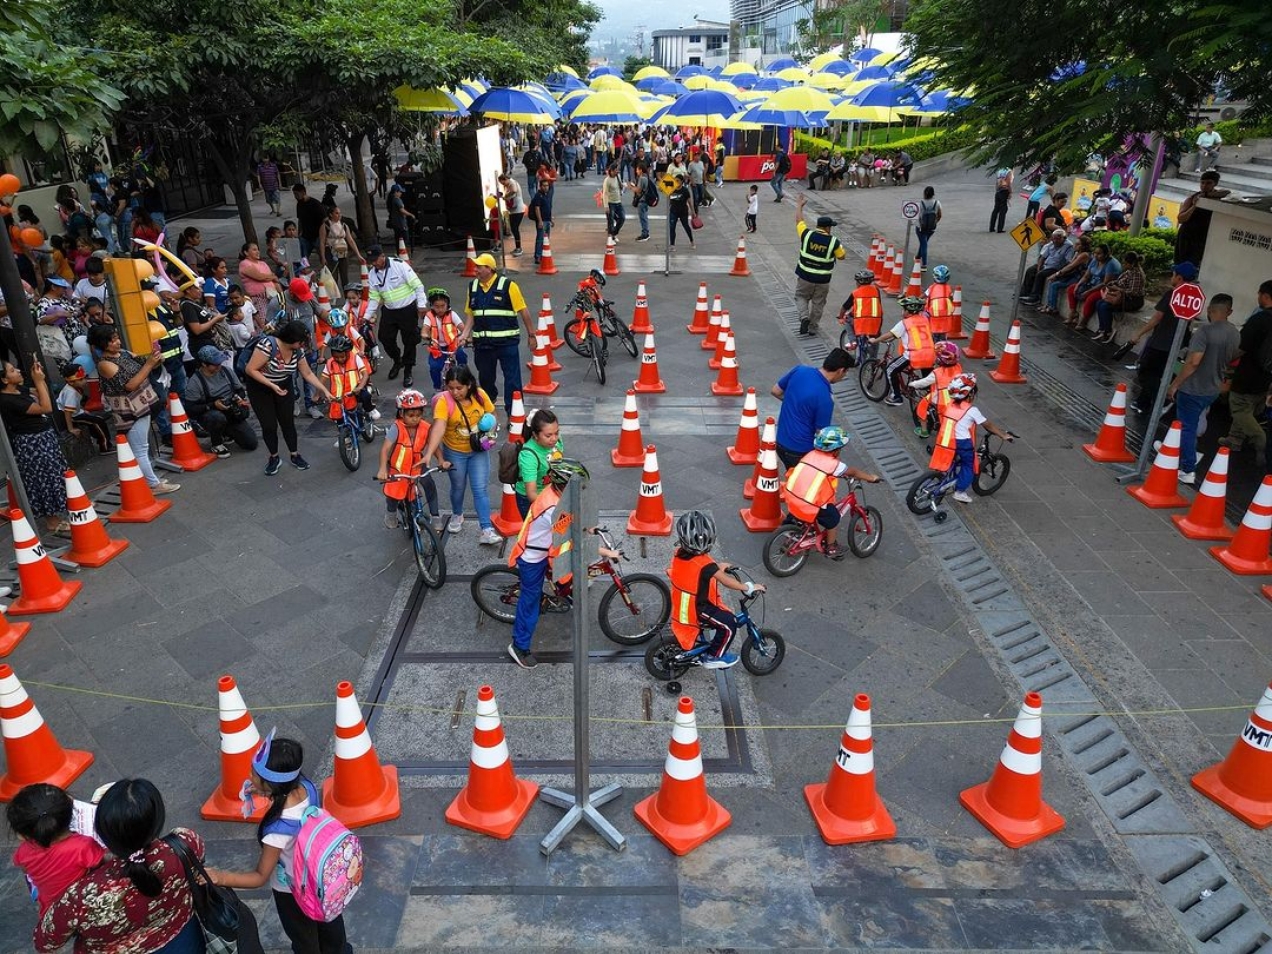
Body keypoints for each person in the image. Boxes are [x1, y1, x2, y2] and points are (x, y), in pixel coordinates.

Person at [205, 734, 351, 954]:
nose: (250, 776)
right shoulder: (307, 787)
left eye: (254, 774)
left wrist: (220, 877)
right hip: (323, 878)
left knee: (304, 939)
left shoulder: (277, 831)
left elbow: (259, 877)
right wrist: (266, 790)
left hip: (293, 892)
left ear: (271, 784)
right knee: (331, 926)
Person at [35, 779, 206, 954]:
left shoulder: (82, 895)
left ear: (101, 832)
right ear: (157, 820)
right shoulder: (186, 845)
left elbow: (45, 942)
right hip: (185, 942)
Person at [506, 458, 590, 669]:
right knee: (530, 601)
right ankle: (519, 646)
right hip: (533, 557)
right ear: (564, 486)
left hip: (545, 547)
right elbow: (567, 539)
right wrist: (602, 549)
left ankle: (564, 590)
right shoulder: (553, 509)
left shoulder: (556, 494)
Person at [89, 326, 181, 496]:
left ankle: (150, 481)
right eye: (112, 340)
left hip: (143, 404)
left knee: (141, 448)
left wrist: (156, 359)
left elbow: (144, 365)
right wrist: (149, 364)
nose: (117, 342)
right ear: (102, 344)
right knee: (139, 449)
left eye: (117, 338)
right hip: (130, 411)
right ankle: (153, 485)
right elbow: (130, 385)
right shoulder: (104, 364)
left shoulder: (123, 353)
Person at [667, 510, 765, 669]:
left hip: (685, 601)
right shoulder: (706, 565)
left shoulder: (680, 554)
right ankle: (714, 656)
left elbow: (697, 569)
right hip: (699, 608)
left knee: (724, 620)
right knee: (729, 623)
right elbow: (726, 581)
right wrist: (747, 587)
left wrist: (717, 567)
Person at [1165, 294, 1240, 484]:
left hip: (1193, 387)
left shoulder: (1204, 331)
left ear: (1209, 310)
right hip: (1213, 388)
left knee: (1187, 427)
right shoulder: (1234, 333)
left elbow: (1193, 362)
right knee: (1196, 421)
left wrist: (1175, 384)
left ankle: (1188, 468)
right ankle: (1179, 450)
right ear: (1229, 311)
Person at [243, 319, 333, 476]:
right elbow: (251, 369)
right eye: (301, 342)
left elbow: (307, 373)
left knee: (288, 422)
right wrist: (271, 385)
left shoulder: (297, 351)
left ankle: (294, 454)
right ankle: (274, 457)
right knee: (269, 425)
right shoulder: (268, 345)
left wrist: (324, 390)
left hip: (283, 385)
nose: (303, 345)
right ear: (292, 339)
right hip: (260, 388)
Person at [422, 365, 500, 543]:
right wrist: (429, 453)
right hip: (454, 452)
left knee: (480, 489)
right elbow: (439, 426)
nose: (455, 392)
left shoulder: (480, 395)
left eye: (459, 388)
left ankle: (486, 529)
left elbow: (493, 414)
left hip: (477, 451)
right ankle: (457, 514)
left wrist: (490, 433)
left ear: (469, 385)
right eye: (450, 388)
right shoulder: (444, 402)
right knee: (458, 487)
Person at [8, 783, 105, 918]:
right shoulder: (83, 846)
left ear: (23, 835)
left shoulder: (23, 850)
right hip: (79, 908)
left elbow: (25, 869)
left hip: (49, 911)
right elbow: (102, 864)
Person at [782, 426, 883, 558]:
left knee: (801, 507)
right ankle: (831, 547)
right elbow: (853, 472)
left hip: (792, 494)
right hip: (811, 503)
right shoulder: (833, 464)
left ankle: (791, 525)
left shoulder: (810, 455)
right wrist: (871, 478)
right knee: (833, 518)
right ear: (836, 450)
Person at [0, 360, 72, 532]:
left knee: (57, 474)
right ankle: (52, 521)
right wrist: (39, 381)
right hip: (31, 444)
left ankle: (72, 504)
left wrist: (40, 380)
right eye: (12, 370)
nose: (18, 371)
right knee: (43, 480)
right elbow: (46, 407)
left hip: (44, 437)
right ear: (4, 380)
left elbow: (42, 394)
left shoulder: (19, 390)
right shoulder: (7, 400)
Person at [460, 253, 535, 416]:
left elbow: (523, 311)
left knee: (512, 380)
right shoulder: (472, 287)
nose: (475, 269)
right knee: (485, 378)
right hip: (483, 345)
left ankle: (514, 412)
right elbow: (471, 313)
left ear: (489, 269)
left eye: (479, 267)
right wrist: (464, 334)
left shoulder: (508, 286)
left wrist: (532, 335)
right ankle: (489, 403)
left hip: (507, 343)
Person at [1124, 262, 1199, 414]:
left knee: (1145, 371)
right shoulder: (1192, 295)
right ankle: (1143, 402)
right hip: (1175, 342)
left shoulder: (1172, 294)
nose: (1171, 277)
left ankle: (1163, 400)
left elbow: (1157, 317)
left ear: (1179, 278)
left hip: (1161, 341)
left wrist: (1139, 333)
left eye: (1173, 275)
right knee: (1157, 373)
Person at [928, 373, 1014, 504]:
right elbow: (988, 425)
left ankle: (944, 474)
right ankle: (960, 492)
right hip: (962, 443)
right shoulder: (972, 410)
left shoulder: (949, 404)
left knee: (951, 459)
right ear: (971, 393)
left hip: (945, 439)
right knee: (969, 465)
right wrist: (1002, 435)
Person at [770, 348, 853, 468]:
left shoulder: (800, 370)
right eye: (846, 373)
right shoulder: (825, 397)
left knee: (791, 475)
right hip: (801, 451)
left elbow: (775, 391)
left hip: (780, 441)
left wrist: (794, 403)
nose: (843, 376)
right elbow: (822, 434)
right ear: (841, 370)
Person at [1219, 279, 1272, 464]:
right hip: (1266, 376)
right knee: (1250, 406)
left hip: (1248, 373)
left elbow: (1241, 347)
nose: (1257, 297)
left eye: (1259, 294)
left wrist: (1224, 360)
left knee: (1239, 406)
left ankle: (1261, 441)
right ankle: (1234, 439)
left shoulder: (1260, 319)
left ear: (1265, 296)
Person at [377, 388, 443, 530]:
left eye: (419, 415)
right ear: (402, 413)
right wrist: (383, 469)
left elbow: (434, 445)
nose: (415, 418)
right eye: (411, 415)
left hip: (417, 464)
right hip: (398, 467)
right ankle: (391, 513)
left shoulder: (425, 427)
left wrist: (441, 461)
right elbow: (385, 449)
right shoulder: (396, 428)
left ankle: (435, 515)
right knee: (393, 491)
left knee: (429, 484)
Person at [364, 244, 427, 388]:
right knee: (384, 338)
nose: (373, 263)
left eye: (375, 260)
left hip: (407, 309)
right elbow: (374, 297)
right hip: (389, 310)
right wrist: (366, 316)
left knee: (409, 341)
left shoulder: (399, 265)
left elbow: (418, 286)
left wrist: (421, 305)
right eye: (371, 261)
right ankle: (398, 360)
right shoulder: (372, 274)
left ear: (382, 256)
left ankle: (408, 370)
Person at [184, 346, 256, 457]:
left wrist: (238, 398)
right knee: (216, 417)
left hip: (231, 411)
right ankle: (216, 443)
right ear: (204, 364)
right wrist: (213, 405)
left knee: (251, 443)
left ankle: (227, 432)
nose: (219, 366)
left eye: (220, 363)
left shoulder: (227, 371)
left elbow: (240, 390)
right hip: (211, 413)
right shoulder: (195, 382)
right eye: (215, 364)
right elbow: (190, 409)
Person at [793, 194, 846, 337]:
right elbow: (842, 256)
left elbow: (799, 220)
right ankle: (812, 328)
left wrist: (799, 206)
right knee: (818, 303)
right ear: (827, 228)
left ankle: (804, 317)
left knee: (800, 297)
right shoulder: (833, 242)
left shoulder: (807, 235)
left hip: (805, 277)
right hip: (822, 280)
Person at [870, 295, 936, 408]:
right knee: (928, 379)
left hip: (913, 355)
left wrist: (875, 340)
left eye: (903, 309)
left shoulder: (905, 323)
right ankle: (930, 394)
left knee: (890, 369)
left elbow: (889, 334)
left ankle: (896, 397)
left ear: (908, 311)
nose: (902, 311)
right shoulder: (925, 320)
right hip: (930, 354)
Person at [1175, 171, 1231, 268]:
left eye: (1209, 183)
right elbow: (1181, 219)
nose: (1204, 186)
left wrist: (1206, 195)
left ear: (1215, 184)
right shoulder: (1192, 198)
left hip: (1203, 237)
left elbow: (1227, 193)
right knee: (1182, 265)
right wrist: (1195, 206)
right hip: (1187, 236)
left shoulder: (1217, 196)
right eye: (1202, 183)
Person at [516, 407, 564, 516]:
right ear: (535, 435)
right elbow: (531, 494)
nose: (554, 439)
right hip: (532, 500)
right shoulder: (528, 455)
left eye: (556, 433)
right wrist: (552, 508)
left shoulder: (556, 441)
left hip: (551, 492)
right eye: (548, 435)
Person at [324, 334, 378, 430]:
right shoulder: (330, 363)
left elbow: (365, 374)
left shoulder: (355, 358)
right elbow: (322, 378)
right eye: (336, 357)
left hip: (355, 389)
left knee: (365, 396)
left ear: (348, 352)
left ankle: (370, 409)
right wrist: (317, 394)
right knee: (338, 416)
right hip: (339, 395)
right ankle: (344, 433)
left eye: (342, 357)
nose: (339, 359)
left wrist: (359, 387)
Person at [910, 341, 964, 438]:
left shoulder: (937, 372)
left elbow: (924, 382)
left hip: (940, 399)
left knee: (921, 408)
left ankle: (924, 431)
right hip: (955, 396)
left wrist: (913, 384)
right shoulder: (958, 367)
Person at [56, 362, 112, 454]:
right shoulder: (71, 393)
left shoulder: (74, 387)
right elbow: (67, 411)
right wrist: (71, 429)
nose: (85, 381)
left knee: (97, 419)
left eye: (85, 378)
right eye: (81, 379)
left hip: (75, 412)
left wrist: (82, 410)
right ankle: (104, 447)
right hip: (71, 416)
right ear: (71, 381)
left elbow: (75, 404)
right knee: (98, 422)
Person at [1093, 250, 1146, 343]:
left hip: (1132, 300)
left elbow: (1133, 292)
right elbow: (1119, 281)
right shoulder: (1128, 271)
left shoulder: (1136, 274)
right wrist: (1112, 284)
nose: (1124, 265)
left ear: (1132, 263)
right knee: (1099, 303)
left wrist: (1118, 289)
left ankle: (1107, 331)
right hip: (1121, 296)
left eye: (1126, 263)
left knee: (1105, 306)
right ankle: (1102, 328)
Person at [421, 287, 468, 392]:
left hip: (453, 344)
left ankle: (464, 381)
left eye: (443, 306)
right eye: (436, 306)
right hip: (437, 346)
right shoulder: (429, 316)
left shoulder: (452, 315)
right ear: (432, 306)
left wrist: (464, 338)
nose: (440, 309)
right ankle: (437, 388)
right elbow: (424, 331)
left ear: (447, 305)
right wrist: (428, 338)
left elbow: (463, 329)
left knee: (461, 358)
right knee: (434, 367)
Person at [1039, 234, 1092, 316]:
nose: (1075, 245)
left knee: (1055, 285)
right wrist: (1059, 275)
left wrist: (1056, 274)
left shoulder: (1084, 255)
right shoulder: (1077, 253)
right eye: (1075, 243)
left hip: (1080, 278)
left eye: (1078, 244)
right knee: (1053, 281)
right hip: (1073, 275)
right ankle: (1049, 305)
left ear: (1084, 246)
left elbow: (1071, 266)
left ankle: (1052, 308)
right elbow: (1069, 265)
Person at [1019, 229, 1074, 304]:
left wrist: (1060, 272)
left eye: (1057, 239)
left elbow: (1068, 262)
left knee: (1040, 275)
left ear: (1064, 238)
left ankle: (1035, 297)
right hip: (1046, 265)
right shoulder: (1051, 244)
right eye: (1053, 239)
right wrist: (1039, 268)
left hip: (1056, 268)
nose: (1055, 241)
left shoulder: (1069, 246)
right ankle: (1024, 293)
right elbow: (1042, 257)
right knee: (1030, 270)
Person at [317, 206, 363, 290]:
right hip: (331, 253)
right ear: (331, 214)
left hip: (343, 253)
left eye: (339, 213)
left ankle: (347, 294)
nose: (339, 215)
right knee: (333, 276)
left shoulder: (344, 225)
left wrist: (358, 255)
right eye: (336, 213)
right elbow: (322, 242)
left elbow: (350, 240)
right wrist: (323, 257)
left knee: (345, 276)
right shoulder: (325, 226)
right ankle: (333, 296)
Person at [290, 183, 326, 262]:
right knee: (303, 258)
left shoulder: (315, 204)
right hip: (305, 236)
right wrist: (299, 233)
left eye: (297, 194)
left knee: (322, 257)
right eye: (294, 194)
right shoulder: (299, 204)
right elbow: (300, 219)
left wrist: (322, 237)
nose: (295, 196)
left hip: (317, 236)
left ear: (303, 192)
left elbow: (324, 220)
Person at [925, 264, 955, 341]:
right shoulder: (948, 288)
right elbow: (951, 299)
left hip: (933, 314)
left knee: (929, 326)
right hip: (946, 315)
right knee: (943, 333)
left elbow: (924, 296)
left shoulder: (932, 287)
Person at [497, 174, 524, 257]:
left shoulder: (512, 183)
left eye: (503, 183)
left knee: (515, 228)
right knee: (514, 228)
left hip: (518, 210)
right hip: (513, 210)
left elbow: (514, 191)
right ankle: (517, 247)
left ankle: (519, 248)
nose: (503, 185)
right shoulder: (508, 185)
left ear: (506, 179)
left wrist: (506, 196)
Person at [916, 186, 942, 269]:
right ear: (933, 194)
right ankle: (918, 256)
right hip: (931, 228)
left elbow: (917, 215)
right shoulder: (937, 203)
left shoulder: (921, 203)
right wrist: (934, 222)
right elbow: (939, 215)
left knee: (924, 243)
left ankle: (924, 264)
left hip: (921, 227)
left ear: (924, 193)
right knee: (924, 242)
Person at [667, 174, 695, 250]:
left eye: (678, 181)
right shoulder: (672, 189)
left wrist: (693, 212)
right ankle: (672, 245)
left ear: (682, 181)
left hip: (683, 212)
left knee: (686, 226)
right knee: (672, 227)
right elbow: (669, 199)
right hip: (673, 211)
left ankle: (692, 241)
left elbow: (689, 202)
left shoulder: (685, 190)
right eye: (675, 180)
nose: (676, 182)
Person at [528, 180, 553, 265]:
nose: (546, 187)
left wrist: (551, 219)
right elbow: (537, 208)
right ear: (540, 186)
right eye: (544, 186)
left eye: (547, 186)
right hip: (542, 221)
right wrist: (540, 221)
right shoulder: (538, 195)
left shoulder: (547, 195)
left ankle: (543, 254)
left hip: (547, 220)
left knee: (546, 239)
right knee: (540, 238)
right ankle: (538, 256)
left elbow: (548, 207)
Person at [386, 182, 414, 255]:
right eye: (400, 192)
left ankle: (400, 253)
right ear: (396, 192)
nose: (401, 193)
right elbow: (402, 210)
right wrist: (411, 214)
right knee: (404, 239)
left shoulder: (392, 200)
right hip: (400, 223)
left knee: (398, 239)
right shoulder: (397, 200)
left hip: (396, 223)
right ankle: (404, 253)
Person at [629, 161, 653, 242]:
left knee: (643, 218)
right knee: (644, 217)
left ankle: (645, 234)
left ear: (641, 170)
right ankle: (646, 233)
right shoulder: (646, 177)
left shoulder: (642, 178)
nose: (636, 171)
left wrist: (631, 187)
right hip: (645, 200)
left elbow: (639, 190)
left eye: (637, 170)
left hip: (642, 200)